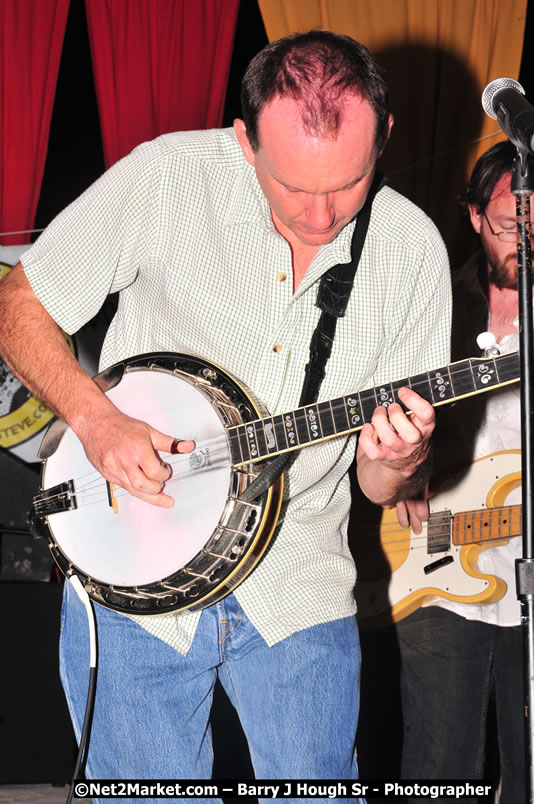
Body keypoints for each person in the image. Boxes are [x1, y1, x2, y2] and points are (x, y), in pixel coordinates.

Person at [0, 31, 451, 800]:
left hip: (299, 584)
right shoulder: (169, 177)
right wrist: (94, 417)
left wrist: (401, 459)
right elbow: (20, 304)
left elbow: (376, 485)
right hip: (134, 580)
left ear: (387, 136)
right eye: (293, 186)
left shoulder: (411, 251)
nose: (319, 216)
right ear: (245, 142)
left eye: (346, 185)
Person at [394, 140, 526, 802]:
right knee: (439, 761)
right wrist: (404, 471)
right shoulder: (429, 306)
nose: (525, 237)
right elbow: (381, 411)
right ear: (475, 217)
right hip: (440, 559)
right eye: (508, 222)